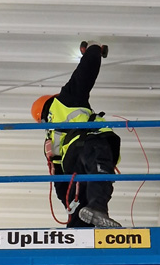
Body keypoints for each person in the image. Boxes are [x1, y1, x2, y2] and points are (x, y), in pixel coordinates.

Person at [31, 42, 122, 229]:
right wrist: (94, 49)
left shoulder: (51, 139)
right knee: (99, 172)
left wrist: (69, 203)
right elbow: (85, 72)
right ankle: (98, 208)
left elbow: (59, 183)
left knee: (79, 201)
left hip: (72, 167)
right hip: (89, 142)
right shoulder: (64, 100)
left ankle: (75, 232)